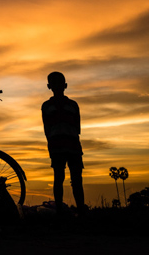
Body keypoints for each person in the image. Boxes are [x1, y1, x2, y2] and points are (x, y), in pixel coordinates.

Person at [42, 71, 85, 214]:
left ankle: (80, 209)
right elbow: (47, 128)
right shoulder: (47, 106)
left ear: (65, 85)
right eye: (54, 83)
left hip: (72, 145)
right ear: (49, 86)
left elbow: (77, 127)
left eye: (59, 83)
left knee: (76, 179)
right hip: (58, 147)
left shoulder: (72, 105)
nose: (57, 86)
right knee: (59, 177)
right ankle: (60, 210)